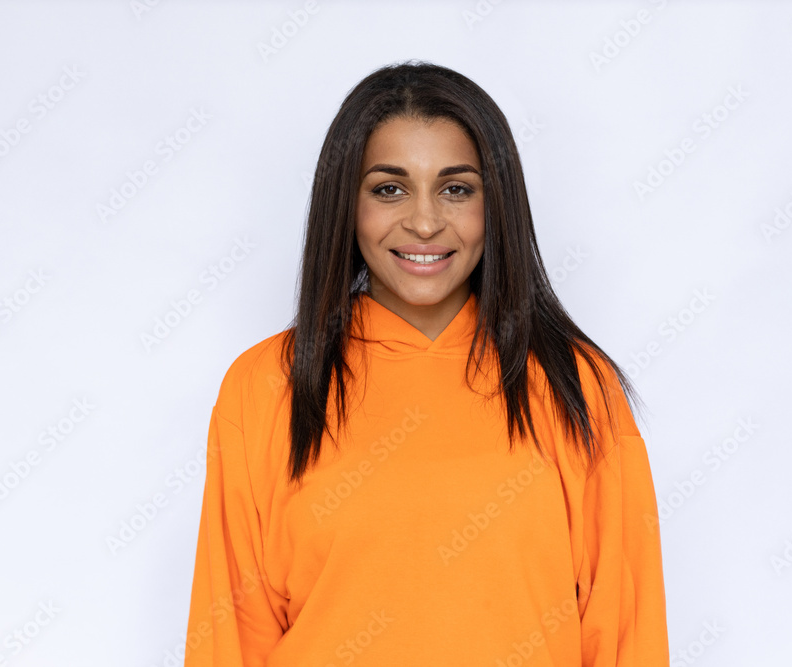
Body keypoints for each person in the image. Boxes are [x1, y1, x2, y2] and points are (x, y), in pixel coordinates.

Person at [183, 59, 669, 666]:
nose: (424, 221)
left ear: (498, 206)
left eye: (456, 188)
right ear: (347, 204)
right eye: (389, 188)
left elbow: (625, 633)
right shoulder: (267, 386)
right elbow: (232, 637)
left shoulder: (576, 384)